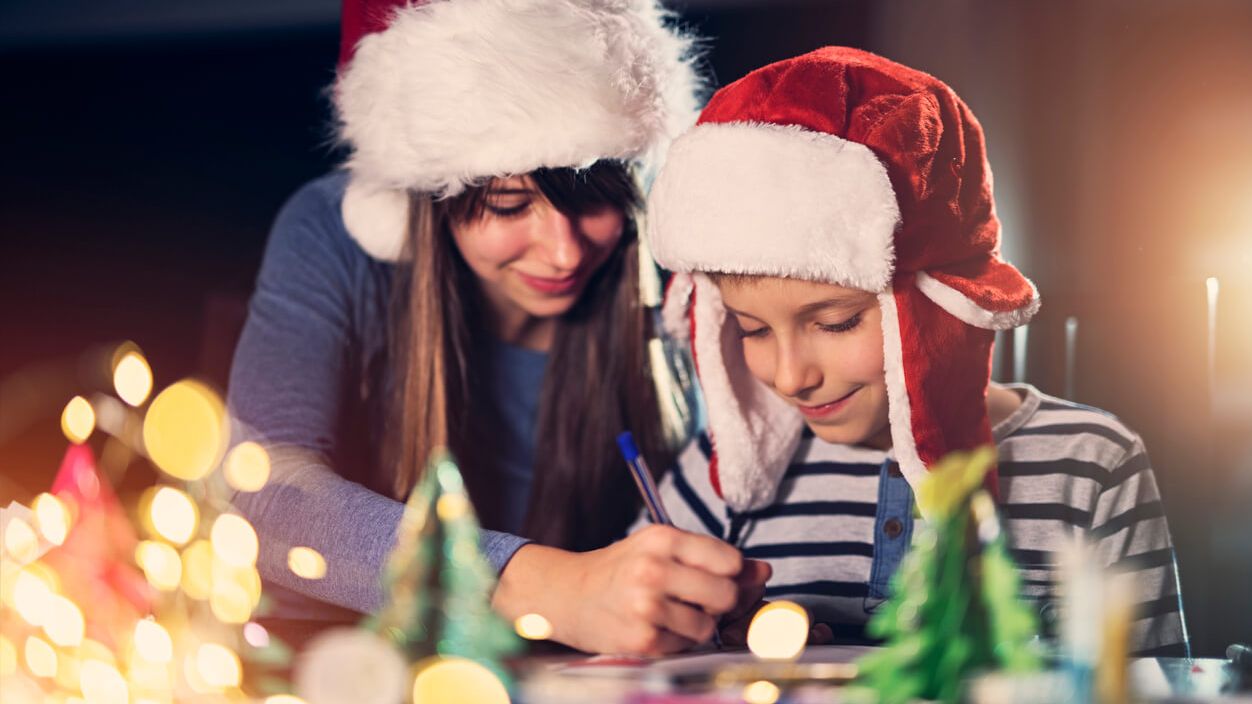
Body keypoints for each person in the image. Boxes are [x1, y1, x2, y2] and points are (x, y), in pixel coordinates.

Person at [227, 0, 765, 655]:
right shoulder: (331, 234)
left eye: (595, 198)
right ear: (424, 199)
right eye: (509, 204)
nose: (564, 252)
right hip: (334, 659)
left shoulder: (669, 264)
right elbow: (265, 490)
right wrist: (539, 586)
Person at [642, 46, 1188, 655]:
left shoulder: (1092, 465)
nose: (791, 377)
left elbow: (1145, 684)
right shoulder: (709, 480)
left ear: (939, 309)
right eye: (752, 330)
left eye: (837, 322)